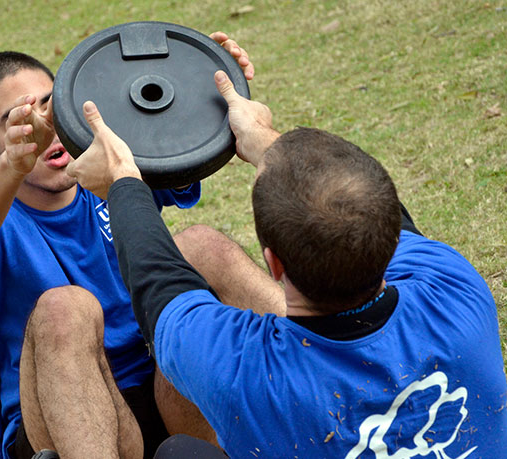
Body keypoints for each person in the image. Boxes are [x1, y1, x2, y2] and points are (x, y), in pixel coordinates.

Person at [66, 71, 507, 458]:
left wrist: (122, 179)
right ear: (391, 236)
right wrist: (264, 139)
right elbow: (370, 204)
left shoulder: (249, 373)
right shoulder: (455, 290)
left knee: (180, 453)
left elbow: (156, 281)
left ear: (273, 263)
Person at [0, 34, 259, 458]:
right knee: (66, 307)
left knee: (201, 245)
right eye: (18, 120)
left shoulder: (109, 164)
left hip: (168, 398)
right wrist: (15, 161)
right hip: (62, 423)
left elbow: (185, 131)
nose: (43, 126)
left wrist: (213, 83)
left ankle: (334, 384)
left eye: (49, 104)